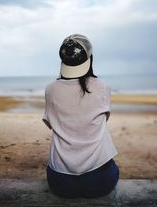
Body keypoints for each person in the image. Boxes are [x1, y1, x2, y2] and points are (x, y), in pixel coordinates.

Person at [42, 34, 119, 198]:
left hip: (60, 181)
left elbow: (50, 123)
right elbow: (103, 119)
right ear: (90, 59)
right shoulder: (101, 87)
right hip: (99, 180)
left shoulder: (51, 89)